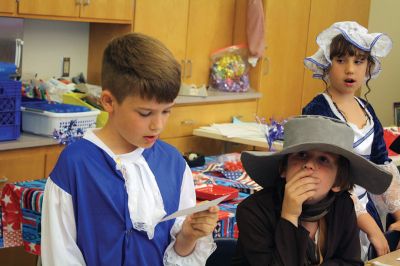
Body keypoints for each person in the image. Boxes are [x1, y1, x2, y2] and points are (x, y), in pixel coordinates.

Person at [41, 33, 219, 266]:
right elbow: (60, 256)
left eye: (166, 111)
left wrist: (188, 236)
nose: (158, 125)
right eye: (145, 113)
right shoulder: (76, 165)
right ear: (108, 101)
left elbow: (178, 256)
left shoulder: (174, 164)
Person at [232, 115, 392, 265]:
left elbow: (350, 262)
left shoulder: (343, 205)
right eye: (301, 155)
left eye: (323, 159)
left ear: (338, 181)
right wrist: (289, 216)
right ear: (283, 169)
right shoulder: (253, 211)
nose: (309, 165)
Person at [302, 21, 400, 260]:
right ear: (327, 64)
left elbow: (381, 167)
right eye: (341, 60)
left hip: (367, 210)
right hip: (333, 214)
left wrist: (398, 214)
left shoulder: (366, 109)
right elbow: (327, 177)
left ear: (368, 67)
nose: (350, 70)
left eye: (358, 62)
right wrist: (371, 228)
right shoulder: (318, 110)